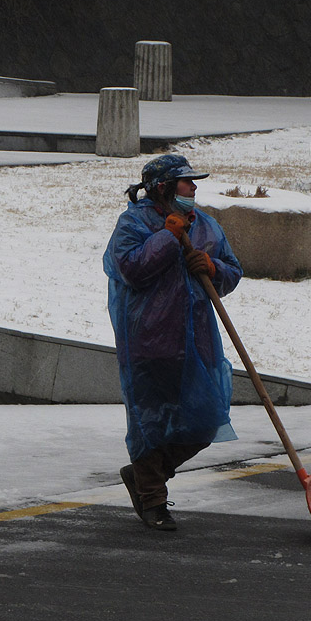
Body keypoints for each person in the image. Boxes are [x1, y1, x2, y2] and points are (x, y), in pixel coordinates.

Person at [103, 154, 243, 531]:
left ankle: (147, 475)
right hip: (149, 339)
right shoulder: (134, 222)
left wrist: (212, 268)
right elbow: (130, 268)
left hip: (197, 339)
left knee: (206, 419)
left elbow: (232, 271)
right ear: (164, 187)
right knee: (150, 423)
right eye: (186, 182)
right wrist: (168, 235)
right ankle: (153, 500)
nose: (194, 188)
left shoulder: (206, 226)